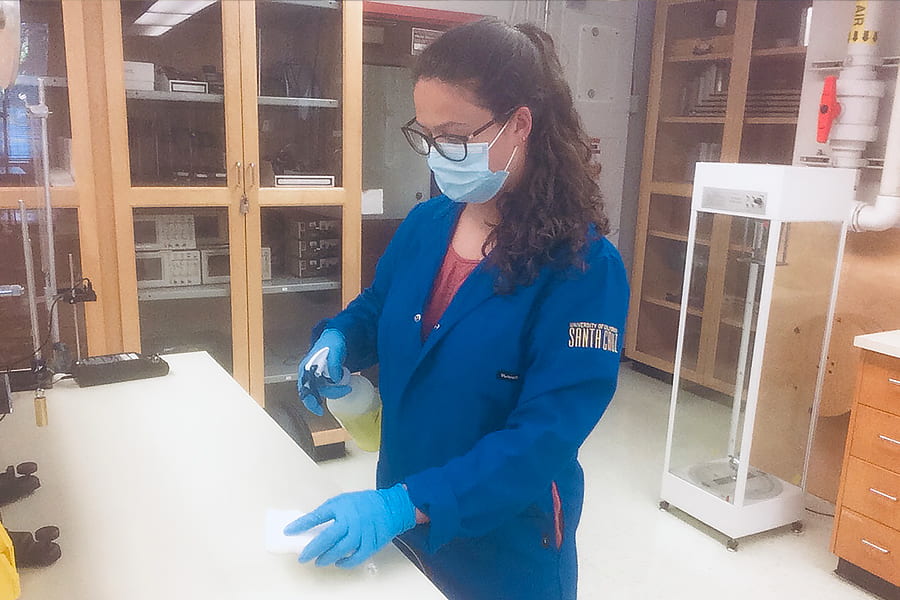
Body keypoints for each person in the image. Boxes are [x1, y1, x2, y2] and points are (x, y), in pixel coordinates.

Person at [285, 17, 629, 600]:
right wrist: (339, 336)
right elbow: (378, 308)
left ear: (520, 124)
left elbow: (542, 438)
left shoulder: (583, 268)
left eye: (457, 135)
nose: (439, 155)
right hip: (405, 522)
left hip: (504, 549)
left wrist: (408, 504)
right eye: (426, 136)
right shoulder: (427, 224)